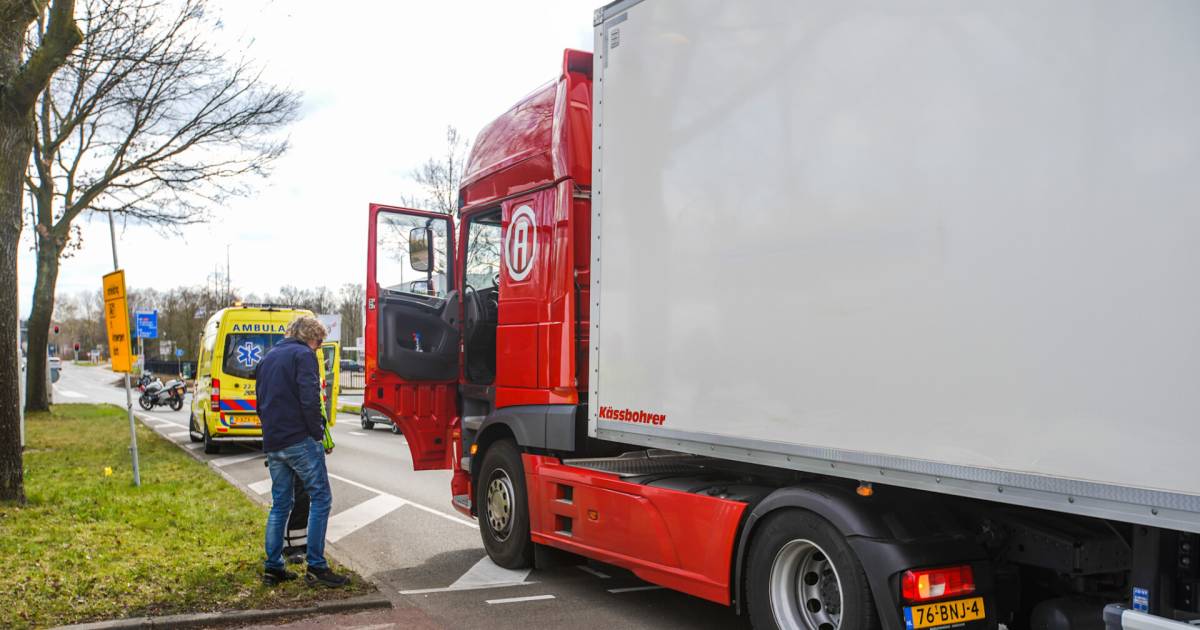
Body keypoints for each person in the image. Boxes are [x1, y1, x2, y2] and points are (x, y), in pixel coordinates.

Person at [255, 315, 348, 587]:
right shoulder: (304, 356)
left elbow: (260, 402)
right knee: (321, 498)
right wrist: (317, 435)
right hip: (299, 439)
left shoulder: (268, 358)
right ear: (309, 337)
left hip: (274, 441)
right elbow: (310, 399)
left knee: (281, 504)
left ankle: (273, 567)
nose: (318, 348)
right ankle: (316, 566)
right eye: (318, 343)